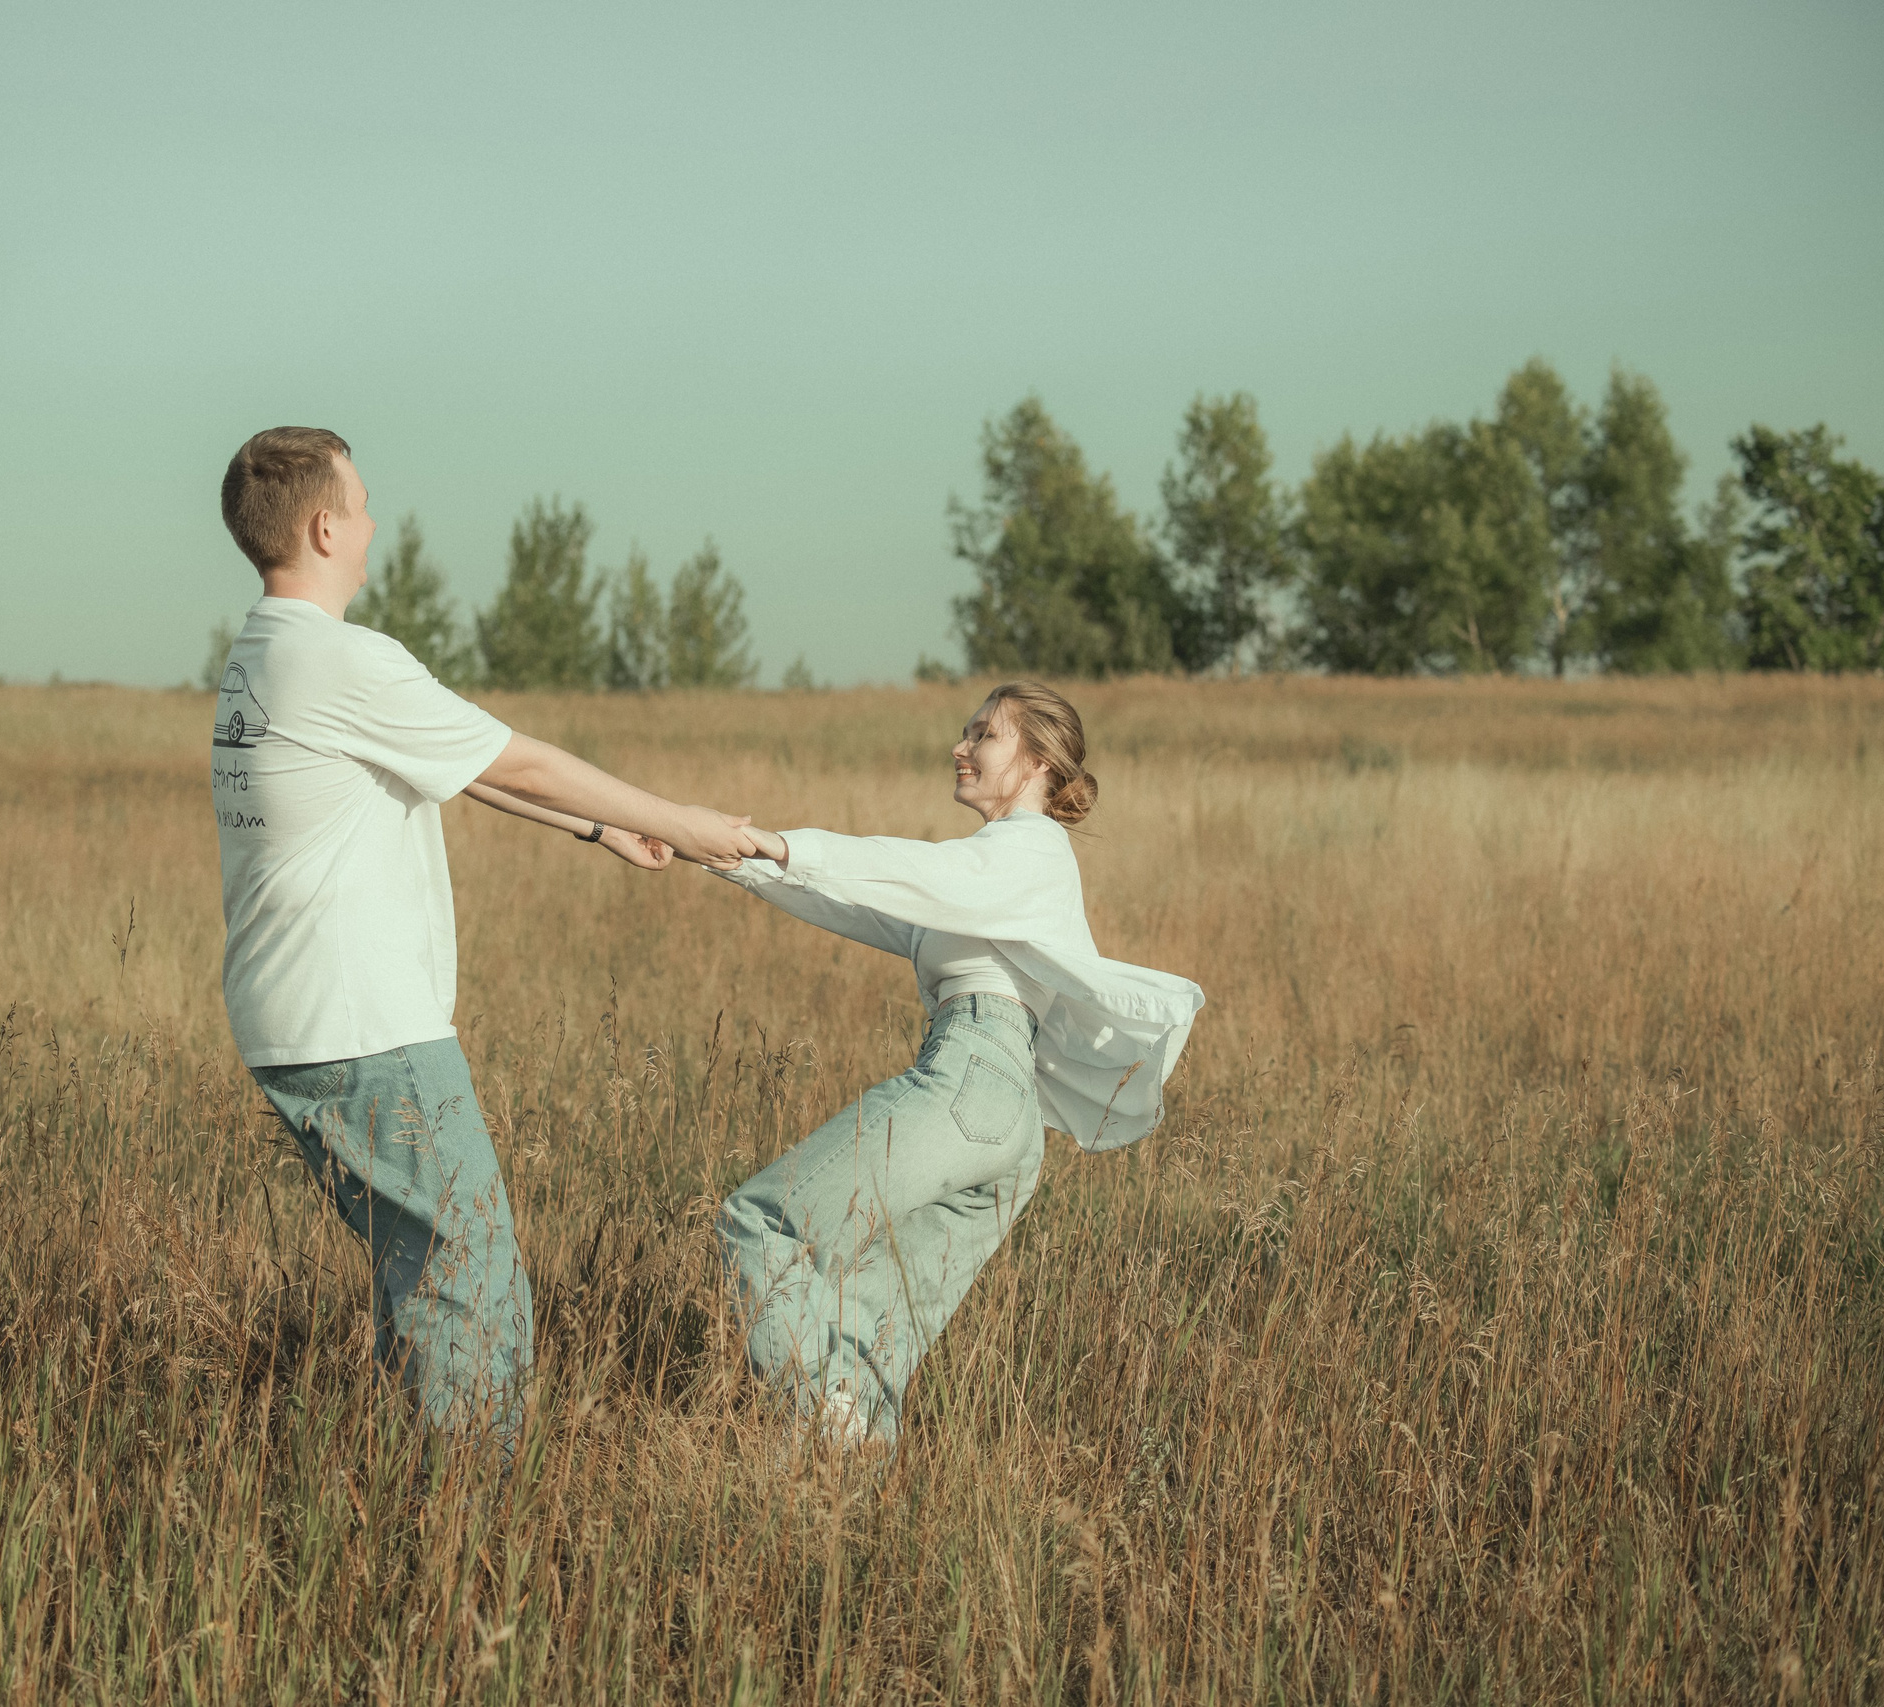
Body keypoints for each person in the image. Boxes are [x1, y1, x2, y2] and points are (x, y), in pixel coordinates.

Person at [210, 426, 751, 1452]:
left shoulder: (263, 657)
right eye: (362, 506)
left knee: (418, 1265)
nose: (373, 524)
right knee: (472, 1267)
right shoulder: (341, 659)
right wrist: (691, 824)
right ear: (326, 527)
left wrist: (599, 828)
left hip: (289, 1020)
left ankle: (408, 1482)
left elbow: (459, 769)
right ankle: (468, 1509)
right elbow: (523, 760)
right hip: (364, 1022)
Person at [705, 681, 1204, 1450]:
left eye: (983, 735)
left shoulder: (1026, 848)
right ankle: (850, 1488)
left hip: (970, 1078)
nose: (960, 747)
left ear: (1036, 761)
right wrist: (733, 857)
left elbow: (915, 874)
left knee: (762, 1224)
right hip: (1007, 1119)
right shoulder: (998, 873)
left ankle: (820, 1417)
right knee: (868, 1313)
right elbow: (868, 904)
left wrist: (784, 845)